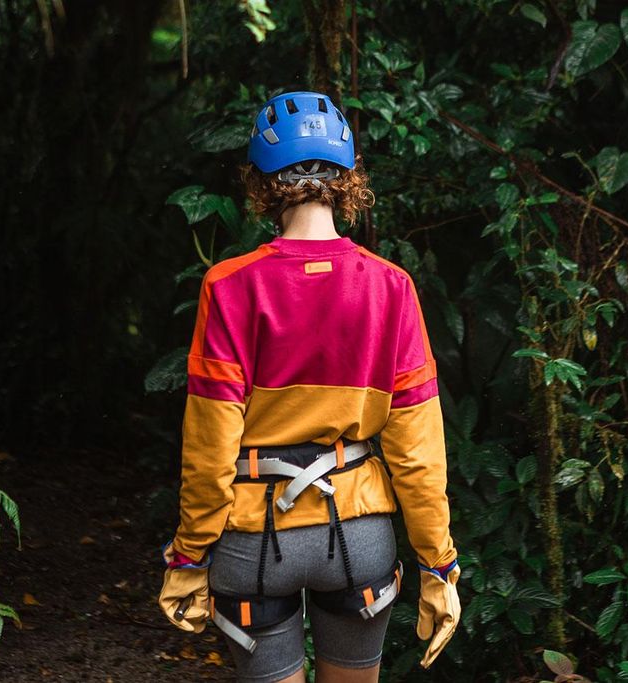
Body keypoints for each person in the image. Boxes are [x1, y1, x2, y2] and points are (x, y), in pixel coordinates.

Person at [156, 90, 461, 683]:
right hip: (358, 536)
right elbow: (418, 450)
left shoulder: (229, 285)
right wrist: (438, 562)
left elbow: (209, 443)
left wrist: (190, 553)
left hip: (254, 542)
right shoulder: (392, 286)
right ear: (348, 178)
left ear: (261, 182)